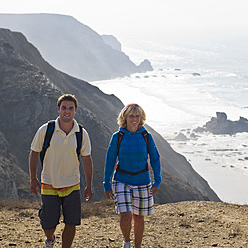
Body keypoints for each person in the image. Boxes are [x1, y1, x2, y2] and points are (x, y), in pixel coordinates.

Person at [29, 94, 93, 248]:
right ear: (58, 109)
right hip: (49, 183)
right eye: (64, 108)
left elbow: (86, 160)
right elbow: (34, 153)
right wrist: (33, 178)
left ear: (75, 110)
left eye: (71, 108)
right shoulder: (46, 130)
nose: (67, 111)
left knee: (71, 223)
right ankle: (50, 239)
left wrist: (89, 186)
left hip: (72, 184)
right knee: (48, 224)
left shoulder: (81, 134)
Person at [103, 103, 161, 248]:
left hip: (142, 180)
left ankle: (137, 246)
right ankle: (127, 242)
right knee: (126, 216)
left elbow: (155, 158)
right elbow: (110, 161)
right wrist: (106, 183)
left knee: (139, 217)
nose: (134, 119)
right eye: (131, 116)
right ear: (125, 117)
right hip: (121, 180)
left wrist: (157, 180)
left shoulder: (146, 136)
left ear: (141, 118)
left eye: (137, 116)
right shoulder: (118, 137)